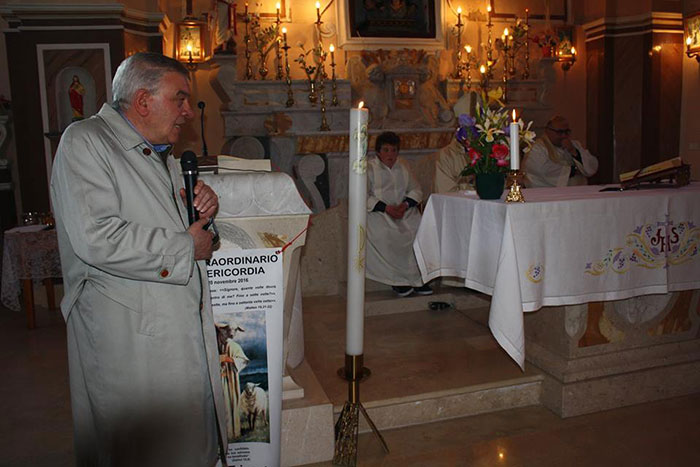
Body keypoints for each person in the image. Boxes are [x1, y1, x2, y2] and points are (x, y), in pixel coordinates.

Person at [50, 52, 226, 467]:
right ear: (143, 101)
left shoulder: (156, 155)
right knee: (140, 448)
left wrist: (205, 212)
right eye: (179, 99)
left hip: (172, 329)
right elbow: (97, 236)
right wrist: (186, 247)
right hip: (132, 338)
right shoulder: (86, 142)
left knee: (182, 442)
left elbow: (185, 234)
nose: (187, 111)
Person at [366, 131, 432, 297]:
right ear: (378, 151)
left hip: (403, 211)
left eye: (394, 150)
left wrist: (405, 205)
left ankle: (418, 279)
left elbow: (416, 189)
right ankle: (398, 281)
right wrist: (386, 208)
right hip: (379, 213)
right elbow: (364, 195)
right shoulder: (369, 167)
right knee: (386, 234)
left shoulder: (403, 165)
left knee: (419, 231)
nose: (391, 155)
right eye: (386, 150)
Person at [523, 115, 598, 187]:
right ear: (547, 131)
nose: (564, 136)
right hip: (549, 193)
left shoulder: (574, 145)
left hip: (577, 191)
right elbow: (543, 170)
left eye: (567, 132)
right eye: (559, 132)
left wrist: (573, 151)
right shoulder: (538, 148)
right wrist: (573, 170)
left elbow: (592, 166)